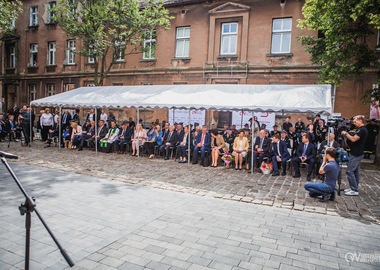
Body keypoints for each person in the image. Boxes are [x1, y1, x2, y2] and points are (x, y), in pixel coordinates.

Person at [341, 115, 368, 196]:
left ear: (360, 121)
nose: (354, 123)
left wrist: (346, 133)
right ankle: (354, 187)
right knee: (356, 172)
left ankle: (354, 189)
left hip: (356, 153)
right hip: (357, 152)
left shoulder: (362, 130)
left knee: (350, 171)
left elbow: (353, 139)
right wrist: (353, 133)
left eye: (355, 121)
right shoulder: (360, 130)